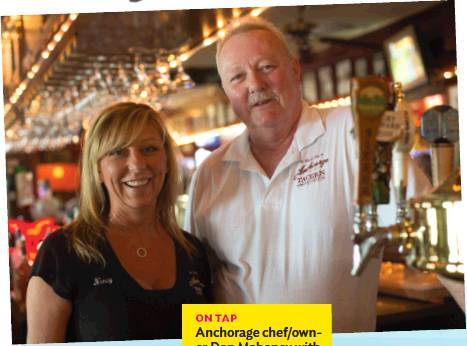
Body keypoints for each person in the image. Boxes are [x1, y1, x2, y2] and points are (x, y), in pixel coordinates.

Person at [184, 17, 431, 332]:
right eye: (237, 77)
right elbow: (195, 287)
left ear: (294, 70)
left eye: (266, 67)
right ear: (226, 92)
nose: (255, 85)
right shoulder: (210, 173)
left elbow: (435, 237)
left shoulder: (355, 134)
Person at [27, 102, 211, 343]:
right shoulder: (62, 253)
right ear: (98, 170)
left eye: (149, 149)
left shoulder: (193, 251)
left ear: (166, 161)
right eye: (118, 152)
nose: (136, 164)